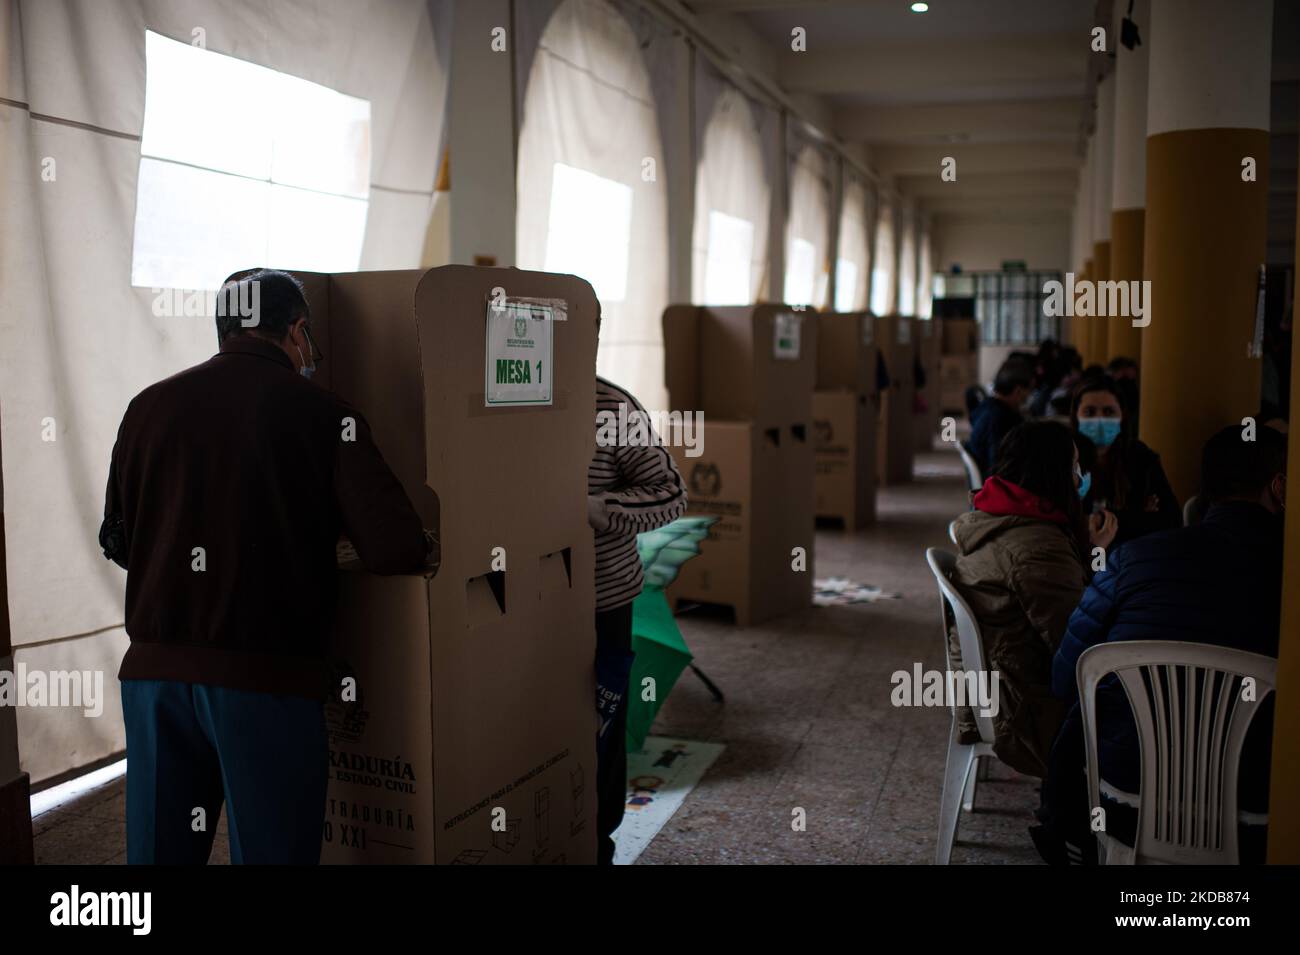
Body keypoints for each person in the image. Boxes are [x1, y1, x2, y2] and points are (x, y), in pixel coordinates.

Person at [99, 269, 433, 864]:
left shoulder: (146, 406)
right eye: (310, 343)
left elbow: (121, 542)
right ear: (298, 332)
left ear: (225, 329)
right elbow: (396, 548)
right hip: (265, 681)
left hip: (153, 678)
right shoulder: (328, 414)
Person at [1035, 424, 1287, 864]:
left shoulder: (1135, 557)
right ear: (1280, 487)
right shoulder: (1288, 574)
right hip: (1264, 811)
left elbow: (1064, 675)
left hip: (1127, 798)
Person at [948, 421, 1117, 777]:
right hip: (1027, 715)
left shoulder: (996, 518)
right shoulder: (1038, 549)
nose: (1079, 477)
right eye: (1073, 467)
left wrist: (1089, 553)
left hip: (998, 693)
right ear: (1053, 473)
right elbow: (1075, 647)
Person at [588, 376, 687, 865]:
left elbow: (671, 494)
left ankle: (599, 844)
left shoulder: (610, 404)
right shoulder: (483, 395)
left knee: (600, 728)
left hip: (602, 598)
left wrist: (602, 509)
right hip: (516, 600)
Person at [1071, 376, 1179, 547]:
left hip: (1132, 559)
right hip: (1084, 560)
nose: (1100, 419)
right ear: (1076, 416)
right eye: (1090, 412)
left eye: (1108, 412)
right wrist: (1138, 515)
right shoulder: (1064, 458)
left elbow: (1170, 520)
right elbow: (1065, 522)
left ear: (1122, 415)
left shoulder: (1141, 457)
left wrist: (1099, 520)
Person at [964, 358, 1032, 477]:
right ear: (1018, 391)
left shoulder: (986, 408)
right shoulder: (1000, 419)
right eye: (1029, 391)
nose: (1029, 397)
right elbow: (999, 466)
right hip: (998, 485)